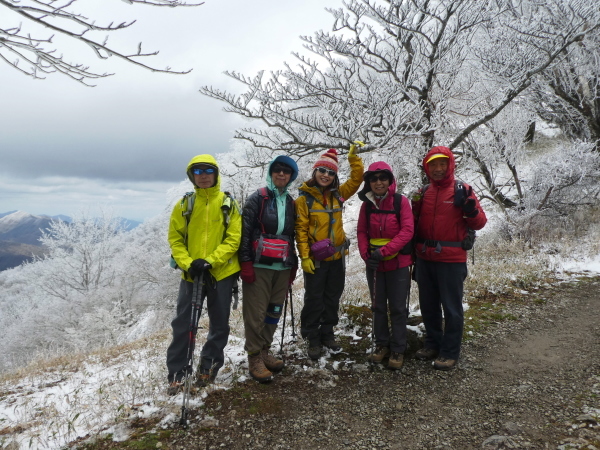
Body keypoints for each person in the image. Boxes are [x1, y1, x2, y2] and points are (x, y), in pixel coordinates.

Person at [166, 154, 242, 394]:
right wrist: (189, 263)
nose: (204, 176)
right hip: (191, 275)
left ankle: (208, 367)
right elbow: (175, 239)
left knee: (219, 324)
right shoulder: (184, 205)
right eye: (198, 172)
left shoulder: (228, 203)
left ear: (216, 174)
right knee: (183, 324)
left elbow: (234, 239)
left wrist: (210, 261)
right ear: (192, 176)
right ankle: (177, 373)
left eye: (208, 171)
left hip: (221, 273)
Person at [412, 146, 487, 371]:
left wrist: (471, 210)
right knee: (428, 306)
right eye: (432, 164)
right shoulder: (423, 191)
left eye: (442, 164)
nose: (437, 169)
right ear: (427, 167)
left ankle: (450, 351)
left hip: (452, 260)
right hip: (425, 258)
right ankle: (433, 343)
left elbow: (480, 223)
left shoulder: (462, 190)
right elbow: (412, 222)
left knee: (452, 308)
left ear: (450, 164)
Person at [295, 145, 364, 360]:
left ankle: (328, 333)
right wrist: (305, 257)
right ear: (314, 172)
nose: (326, 175)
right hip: (316, 260)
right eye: (322, 171)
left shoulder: (338, 195)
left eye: (331, 172)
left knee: (332, 298)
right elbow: (301, 230)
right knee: (314, 298)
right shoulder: (303, 200)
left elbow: (356, 180)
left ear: (335, 176)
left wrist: (353, 159)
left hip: (337, 258)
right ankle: (312, 337)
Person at [239, 156, 299, 383]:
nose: (281, 174)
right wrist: (245, 263)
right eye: (277, 170)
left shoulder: (291, 202)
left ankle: (265, 349)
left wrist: (293, 265)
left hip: (282, 266)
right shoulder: (258, 198)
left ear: (291, 176)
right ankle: (254, 356)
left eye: (286, 171)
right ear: (271, 173)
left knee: (274, 311)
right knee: (255, 313)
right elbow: (245, 233)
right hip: (259, 265)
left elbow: (291, 236)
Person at [357, 161, 414, 370]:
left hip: (398, 263)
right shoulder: (367, 205)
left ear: (390, 180)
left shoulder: (401, 202)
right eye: (374, 179)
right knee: (378, 306)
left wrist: (385, 251)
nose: (378, 182)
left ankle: (398, 348)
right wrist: (366, 255)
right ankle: (382, 345)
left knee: (398, 308)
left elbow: (407, 231)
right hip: (374, 263)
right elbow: (362, 231)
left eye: (383, 178)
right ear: (369, 183)